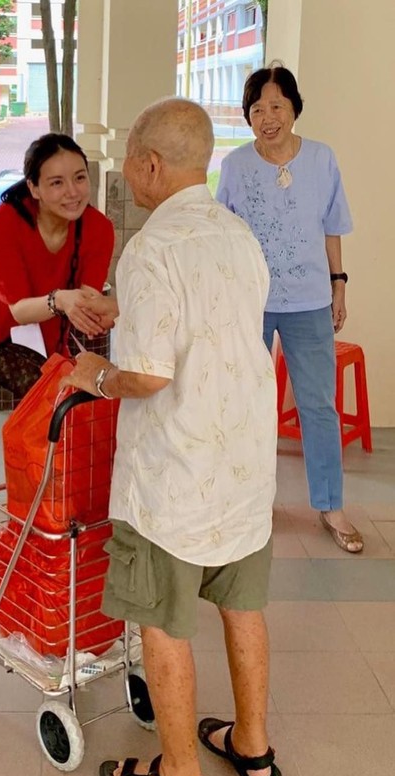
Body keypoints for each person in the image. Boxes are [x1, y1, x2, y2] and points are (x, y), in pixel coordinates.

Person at [62, 98, 281, 776]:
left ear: (151, 166)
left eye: (127, 159)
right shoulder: (236, 233)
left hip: (177, 476)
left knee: (162, 618)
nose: (124, 174)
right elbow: (207, 326)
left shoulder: (152, 246)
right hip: (244, 464)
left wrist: (94, 372)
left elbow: (151, 376)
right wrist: (122, 314)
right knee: (242, 608)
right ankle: (252, 747)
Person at [0, 133, 115, 619]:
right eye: (56, 182)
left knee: (58, 446)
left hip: (45, 344)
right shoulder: (5, 224)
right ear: (34, 188)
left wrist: (104, 312)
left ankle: (48, 546)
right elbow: (17, 309)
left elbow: (88, 305)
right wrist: (66, 302)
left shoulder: (97, 228)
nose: (72, 191)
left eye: (80, 178)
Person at [217, 64, 362, 554]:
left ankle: (331, 506)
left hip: (309, 300)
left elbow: (332, 227)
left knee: (318, 405)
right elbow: (225, 234)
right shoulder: (236, 165)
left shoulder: (321, 159)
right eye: (257, 109)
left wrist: (339, 285)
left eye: (277, 106)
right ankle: (248, 503)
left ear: (294, 108)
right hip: (249, 302)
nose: (267, 117)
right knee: (245, 404)